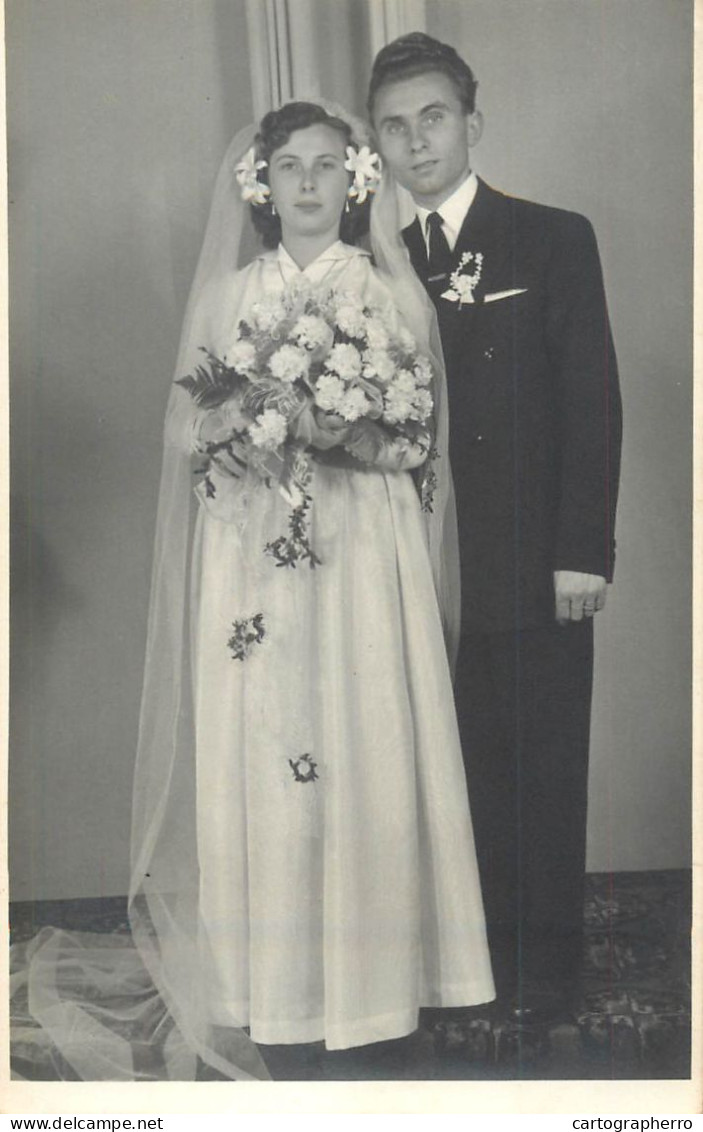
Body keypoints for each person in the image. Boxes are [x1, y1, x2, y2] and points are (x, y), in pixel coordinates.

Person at [130, 98, 494, 1075]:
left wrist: (343, 431)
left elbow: (418, 441)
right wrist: (249, 434)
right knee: (272, 740)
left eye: (327, 166)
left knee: (363, 731)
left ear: (355, 182)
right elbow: (186, 432)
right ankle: (274, 985)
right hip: (255, 548)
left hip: (364, 550)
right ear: (260, 185)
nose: (306, 183)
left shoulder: (388, 296)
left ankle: (376, 983)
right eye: (287, 166)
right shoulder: (231, 297)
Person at [368, 34, 622, 1022]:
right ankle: (461, 976)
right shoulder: (366, 268)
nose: (415, 139)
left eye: (433, 116)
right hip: (414, 570)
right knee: (446, 774)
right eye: (394, 124)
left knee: (539, 764)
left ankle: (547, 982)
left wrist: (580, 551)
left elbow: (590, 400)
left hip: (529, 560)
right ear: (377, 146)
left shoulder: (551, 237)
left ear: (472, 123)